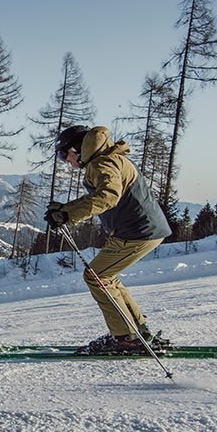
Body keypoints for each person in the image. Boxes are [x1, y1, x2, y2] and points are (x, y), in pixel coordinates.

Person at [45, 124, 173, 353]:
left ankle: (126, 337)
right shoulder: (108, 159)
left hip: (137, 232)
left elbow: (107, 197)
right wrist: (65, 210)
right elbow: (102, 195)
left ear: (77, 149)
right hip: (141, 230)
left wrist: (67, 215)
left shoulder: (104, 162)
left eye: (64, 155)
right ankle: (138, 332)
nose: (66, 161)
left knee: (97, 277)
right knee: (105, 276)